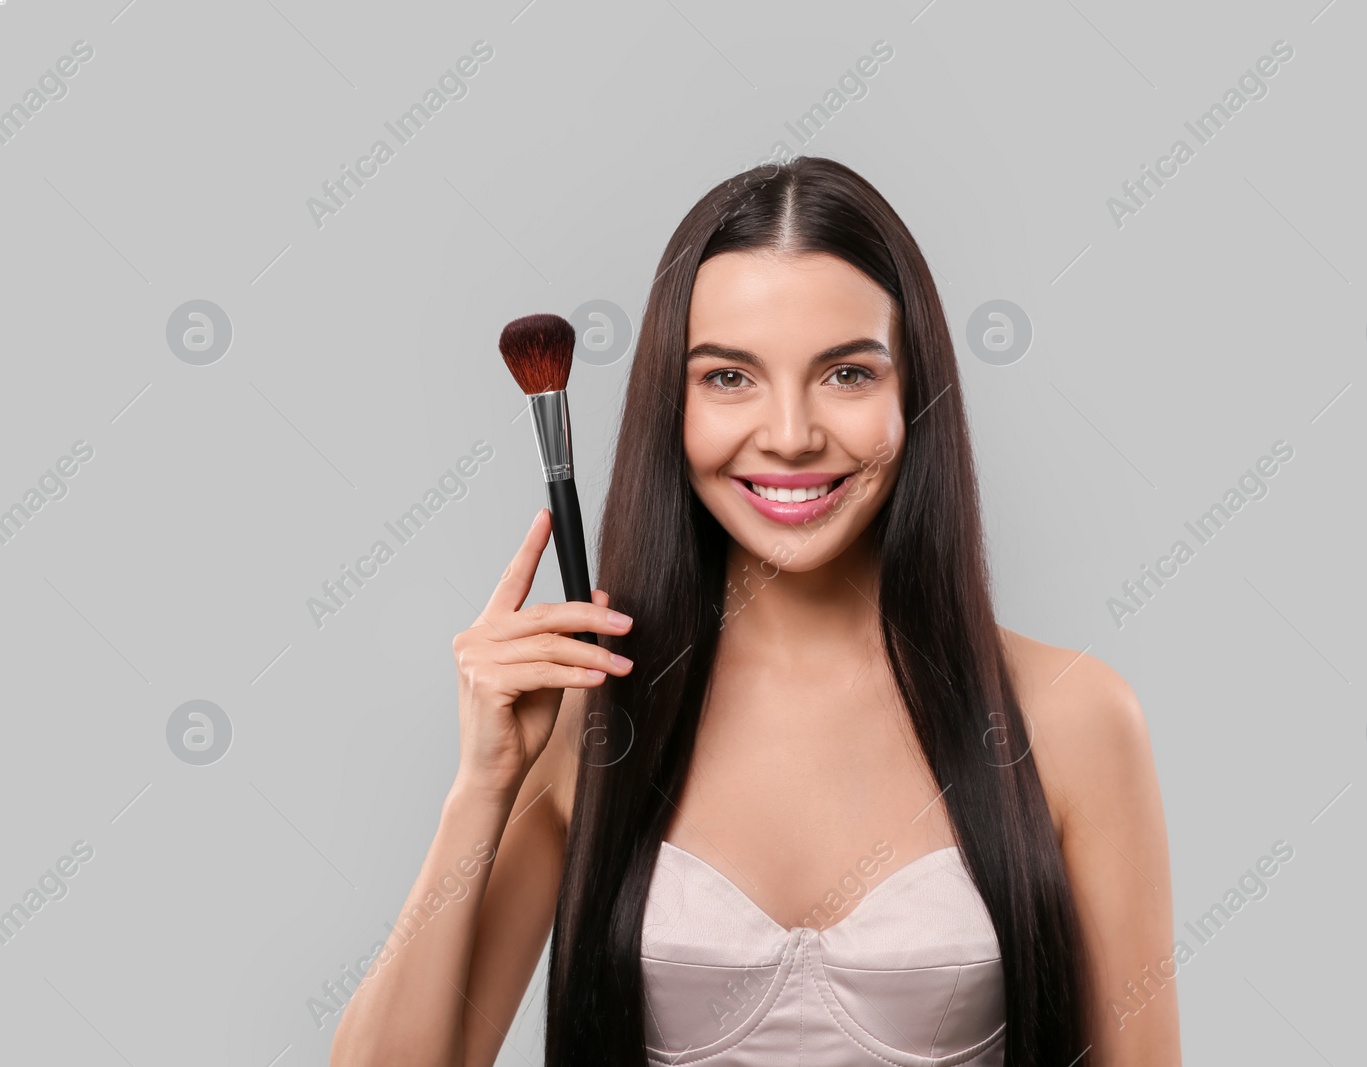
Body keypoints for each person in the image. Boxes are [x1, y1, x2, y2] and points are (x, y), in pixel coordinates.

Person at [331, 156, 1179, 1066]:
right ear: (673, 404)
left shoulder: (1074, 716)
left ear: (913, 395)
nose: (789, 434)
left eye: (847, 374)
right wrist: (481, 788)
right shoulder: (592, 720)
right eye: (729, 377)